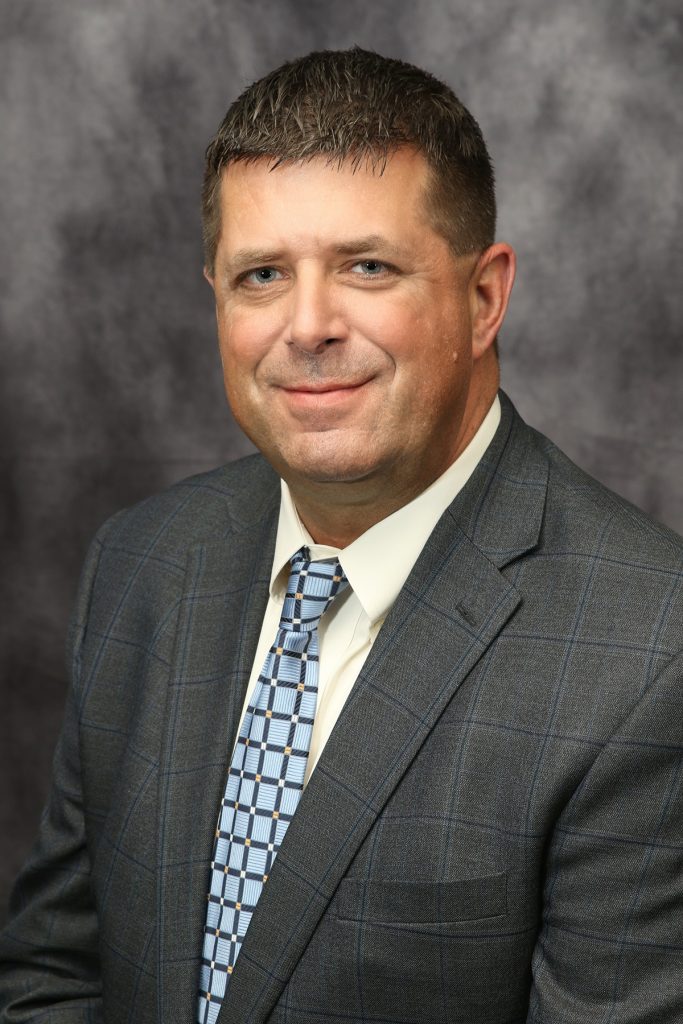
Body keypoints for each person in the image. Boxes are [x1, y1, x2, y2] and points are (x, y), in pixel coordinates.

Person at [0, 46, 681, 1024]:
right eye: (261, 275)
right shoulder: (141, 562)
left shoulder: (650, 651)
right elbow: (51, 978)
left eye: (366, 266)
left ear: (482, 298)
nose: (306, 324)